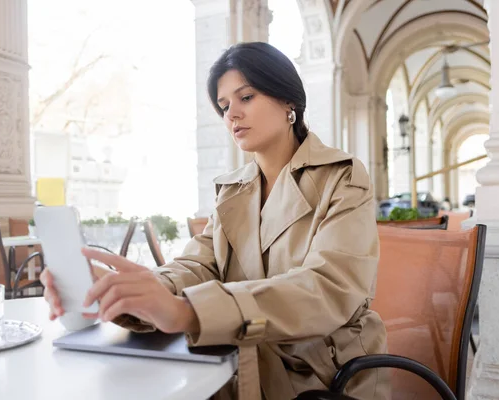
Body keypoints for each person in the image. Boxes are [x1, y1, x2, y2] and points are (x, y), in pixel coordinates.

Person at [41, 42, 389, 400]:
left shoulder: (343, 177)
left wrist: (190, 311)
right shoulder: (232, 190)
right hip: (241, 355)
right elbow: (198, 265)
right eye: (224, 106)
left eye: (246, 97)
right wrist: (130, 290)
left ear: (289, 102)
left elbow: (328, 289)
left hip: (322, 375)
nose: (232, 114)